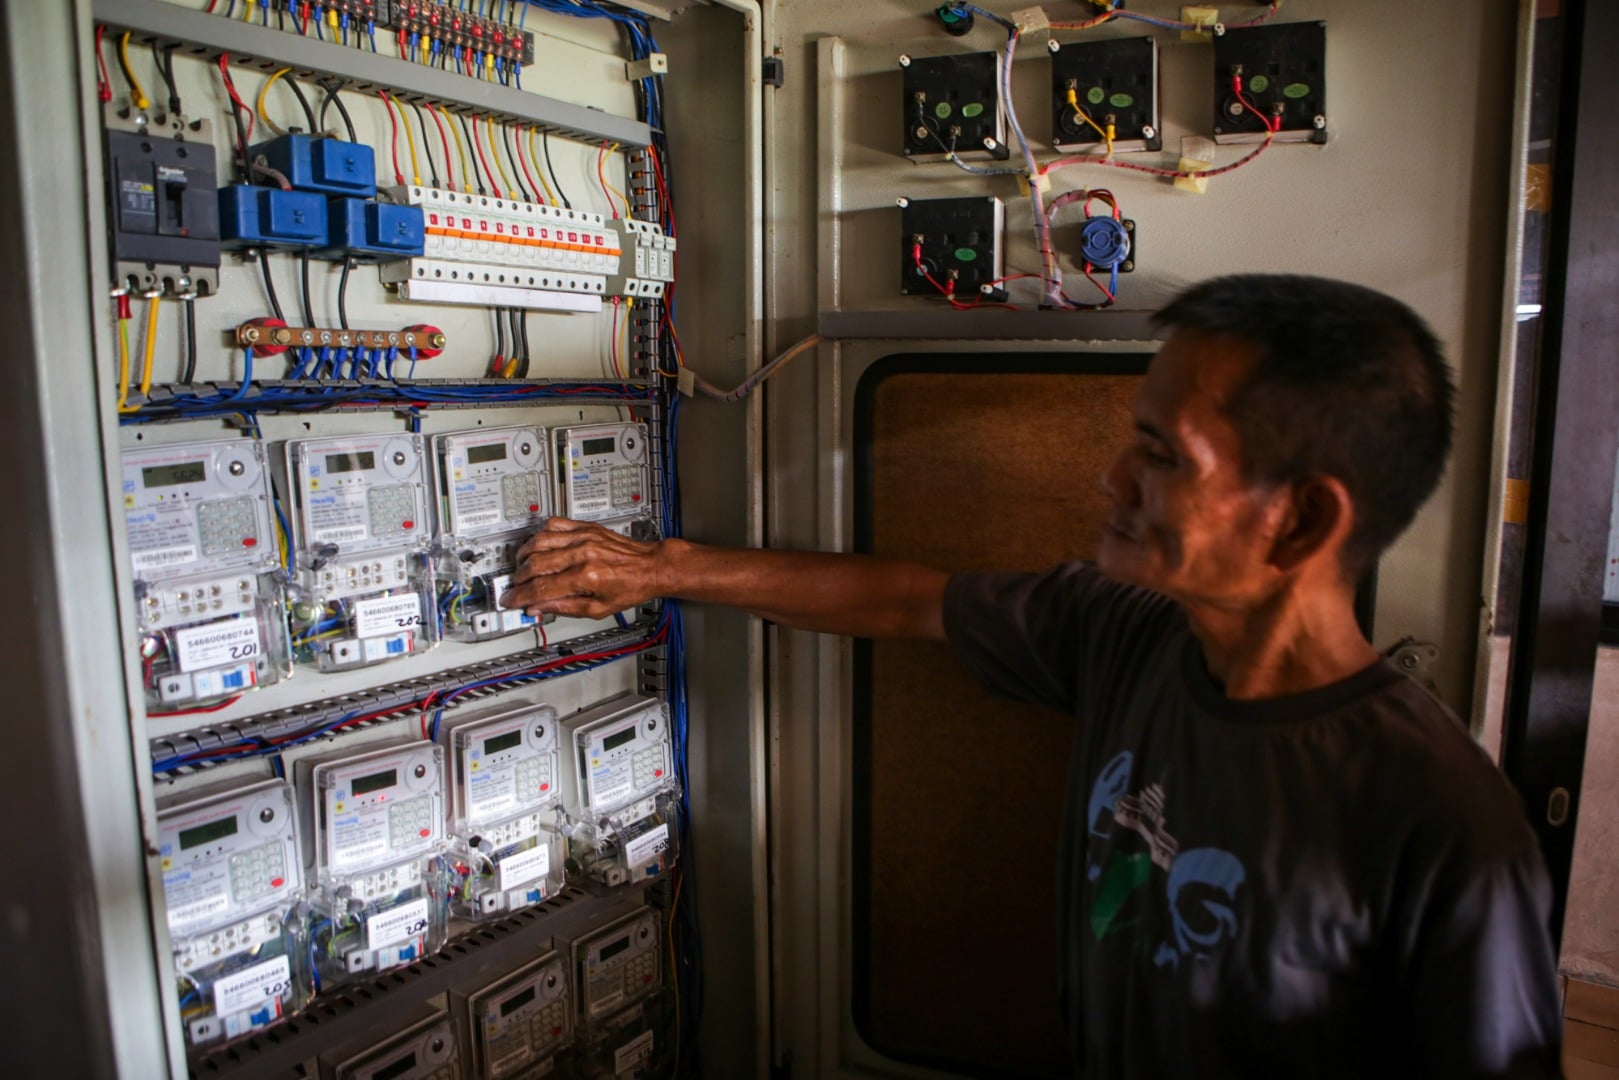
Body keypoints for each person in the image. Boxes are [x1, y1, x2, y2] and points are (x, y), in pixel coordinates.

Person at [503, 275, 1563, 1077]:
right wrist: (661, 568)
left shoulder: (1441, 831)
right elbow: (906, 599)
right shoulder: (1127, 637)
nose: (1111, 477)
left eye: (1158, 454)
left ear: (1301, 517)